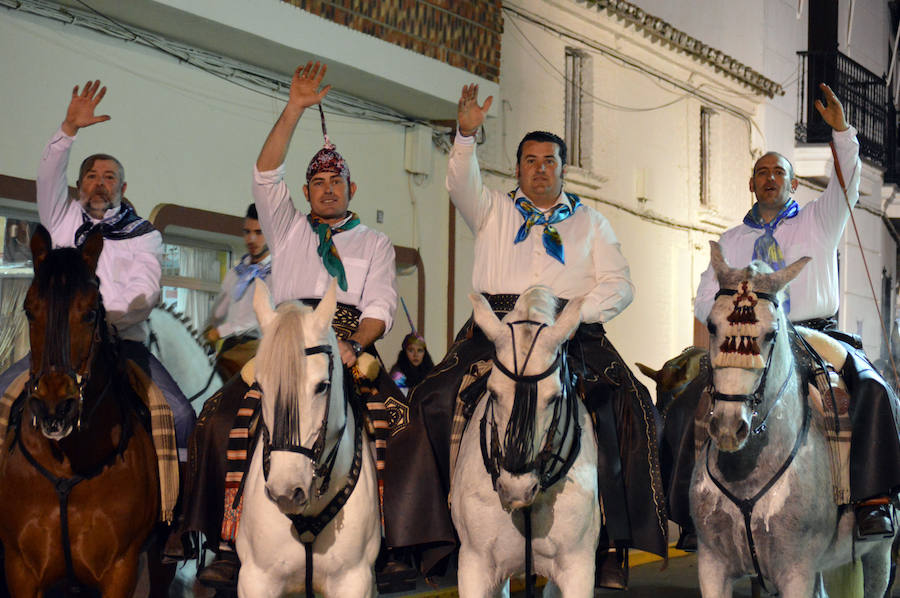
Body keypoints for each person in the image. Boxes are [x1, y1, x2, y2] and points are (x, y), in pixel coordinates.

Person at [383, 84, 667, 590]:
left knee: (633, 403)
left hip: (570, 332)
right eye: (530, 161)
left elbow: (620, 284)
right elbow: (457, 183)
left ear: (562, 169)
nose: (540, 168)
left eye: (550, 161)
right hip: (495, 328)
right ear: (517, 170)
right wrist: (466, 135)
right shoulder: (491, 208)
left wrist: (578, 315)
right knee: (424, 400)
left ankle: (612, 543)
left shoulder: (592, 222)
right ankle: (423, 539)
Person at [180, 62, 410, 591]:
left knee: (402, 426)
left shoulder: (374, 243)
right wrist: (293, 110)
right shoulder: (285, 229)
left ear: (352, 187)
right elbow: (265, 170)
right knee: (217, 417)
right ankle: (220, 540)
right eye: (319, 183)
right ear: (306, 191)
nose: (328, 190)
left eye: (337, 182)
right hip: (284, 342)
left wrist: (352, 344)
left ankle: (397, 544)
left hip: (347, 341)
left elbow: (380, 306)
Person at [688, 83, 900, 538]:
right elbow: (705, 297)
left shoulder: (820, 219)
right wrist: (734, 309)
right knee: (688, 398)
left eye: (778, 172)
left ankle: (873, 500)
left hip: (813, 335)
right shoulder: (730, 241)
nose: (770, 178)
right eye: (761, 172)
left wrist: (842, 131)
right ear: (751, 183)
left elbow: (849, 177)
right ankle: (690, 507)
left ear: (793, 182)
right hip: (748, 340)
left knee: (872, 388)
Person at [0, 80, 194, 456]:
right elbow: (47, 176)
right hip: (58, 343)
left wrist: (96, 319)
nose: (100, 183)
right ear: (78, 186)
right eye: (91, 176)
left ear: (123, 187)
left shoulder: (144, 235)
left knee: (181, 416)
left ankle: (176, 509)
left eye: (109, 178)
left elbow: (144, 292)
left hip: (123, 345)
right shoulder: (60, 217)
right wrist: (67, 130)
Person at [203, 204, 271, 379]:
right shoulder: (236, 271)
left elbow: (257, 318)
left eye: (258, 232)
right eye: (247, 232)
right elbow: (220, 308)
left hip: (257, 348)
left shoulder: (278, 273)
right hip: (229, 346)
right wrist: (208, 329)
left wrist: (221, 331)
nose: (251, 239)